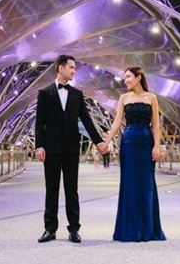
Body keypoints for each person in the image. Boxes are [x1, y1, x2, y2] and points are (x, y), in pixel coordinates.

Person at [35, 54, 108, 244]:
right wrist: (39, 145)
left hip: (71, 149)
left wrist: (98, 141)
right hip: (51, 148)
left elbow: (87, 120)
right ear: (60, 68)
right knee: (51, 190)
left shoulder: (77, 94)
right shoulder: (45, 93)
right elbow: (39, 122)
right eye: (71, 67)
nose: (74, 71)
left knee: (72, 190)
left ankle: (74, 229)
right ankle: (50, 229)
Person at [104, 66, 166, 242]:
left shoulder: (151, 98)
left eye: (128, 77)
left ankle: (148, 229)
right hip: (129, 143)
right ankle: (129, 229)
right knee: (129, 183)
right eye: (125, 77)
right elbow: (117, 122)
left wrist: (157, 146)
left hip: (146, 143)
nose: (126, 80)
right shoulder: (124, 98)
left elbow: (156, 125)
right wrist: (106, 142)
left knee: (147, 184)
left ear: (138, 78)